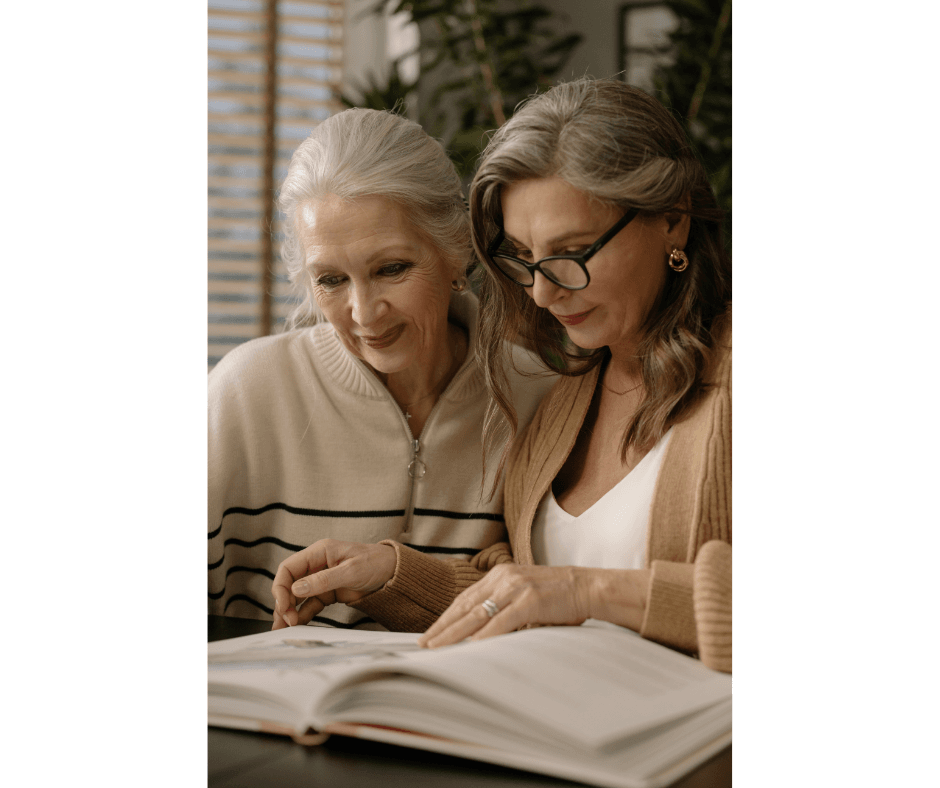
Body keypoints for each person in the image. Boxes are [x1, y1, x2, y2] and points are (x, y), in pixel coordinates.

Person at [273, 79, 731, 673]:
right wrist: (395, 573)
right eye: (524, 257)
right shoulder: (566, 397)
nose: (541, 292)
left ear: (672, 220)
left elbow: (567, 589)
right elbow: (528, 588)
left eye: (575, 251)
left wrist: (591, 591)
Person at [209, 108, 555, 628]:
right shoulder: (245, 392)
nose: (365, 313)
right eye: (331, 280)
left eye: (391, 269)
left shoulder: (539, 397)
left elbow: (552, 600)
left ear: (455, 248)